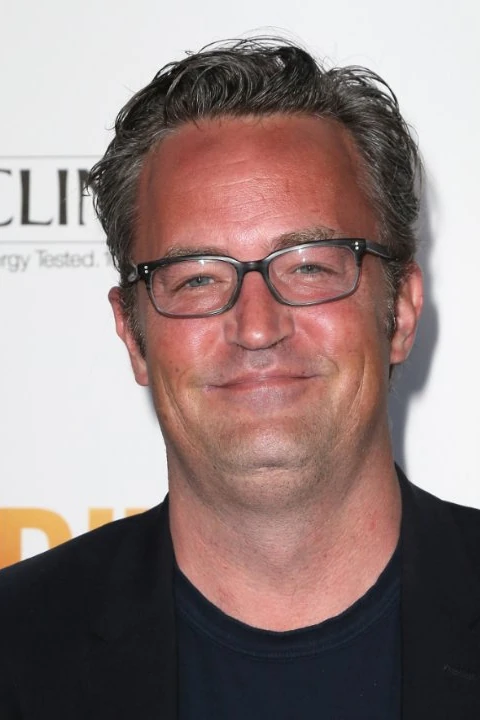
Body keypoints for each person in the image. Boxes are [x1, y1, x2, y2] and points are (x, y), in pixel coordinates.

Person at [1, 37, 480, 720]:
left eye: (309, 266)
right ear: (132, 334)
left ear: (400, 310)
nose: (257, 327)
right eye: (196, 278)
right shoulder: (15, 649)